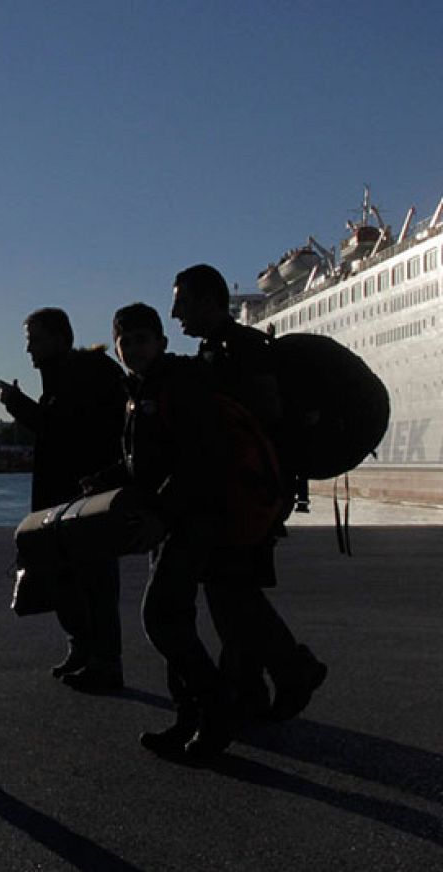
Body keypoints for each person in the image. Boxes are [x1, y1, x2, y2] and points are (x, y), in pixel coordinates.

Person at [170, 264, 327, 721]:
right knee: (230, 590)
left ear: (206, 301)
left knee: (230, 591)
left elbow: (264, 417)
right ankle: (251, 687)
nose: (175, 312)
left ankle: (293, 668)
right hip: (236, 493)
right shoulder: (217, 350)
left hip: (249, 494)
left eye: (181, 301)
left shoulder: (243, 350)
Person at [92, 302, 235, 762]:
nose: (133, 348)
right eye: (125, 341)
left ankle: (215, 716)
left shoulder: (178, 384)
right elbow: (148, 461)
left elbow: (197, 458)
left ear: (161, 342)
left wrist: (163, 516)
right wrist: (107, 478)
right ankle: (188, 718)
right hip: (170, 518)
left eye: (141, 339)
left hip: (191, 518)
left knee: (161, 617)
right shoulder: (140, 390)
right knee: (176, 617)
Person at [0, 308, 126, 691]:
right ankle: (87, 651)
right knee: (74, 577)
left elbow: (63, 433)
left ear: (59, 337)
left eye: (34, 340)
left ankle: (102, 659)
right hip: (76, 493)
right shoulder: (76, 373)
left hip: (84, 494)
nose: (29, 350)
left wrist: (19, 406)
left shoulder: (79, 376)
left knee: (91, 578)